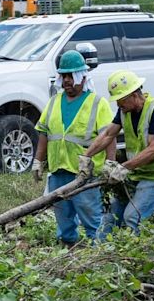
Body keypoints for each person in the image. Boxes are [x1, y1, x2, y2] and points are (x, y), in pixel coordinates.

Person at [80, 69, 154, 235]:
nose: (118, 104)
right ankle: (101, 254)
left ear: (134, 95)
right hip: (137, 173)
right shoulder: (124, 111)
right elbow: (107, 134)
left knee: (133, 217)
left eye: (120, 100)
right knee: (112, 217)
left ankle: (137, 257)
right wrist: (86, 156)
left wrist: (124, 167)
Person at [32, 50, 115, 247]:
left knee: (89, 214)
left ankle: (98, 250)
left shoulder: (97, 103)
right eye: (64, 76)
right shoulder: (54, 102)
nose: (67, 81)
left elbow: (109, 136)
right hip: (58, 170)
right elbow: (44, 133)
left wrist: (110, 163)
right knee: (63, 215)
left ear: (82, 76)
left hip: (84, 173)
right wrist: (38, 161)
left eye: (71, 76)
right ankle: (68, 246)